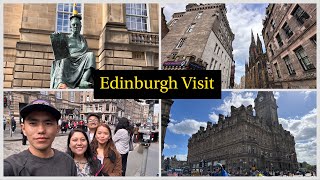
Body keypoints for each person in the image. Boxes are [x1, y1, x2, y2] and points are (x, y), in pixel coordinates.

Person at [4, 99, 77, 176]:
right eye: (33, 123)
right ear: (24, 129)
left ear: (57, 129)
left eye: (48, 123)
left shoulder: (68, 162)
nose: (41, 130)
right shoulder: (10, 168)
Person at [50, 11, 96, 89]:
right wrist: (57, 40)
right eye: (73, 25)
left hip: (81, 60)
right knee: (64, 59)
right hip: (69, 60)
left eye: (77, 25)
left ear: (80, 27)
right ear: (70, 27)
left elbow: (85, 52)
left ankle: (83, 80)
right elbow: (59, 53)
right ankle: (60, 82)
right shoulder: (66, 38)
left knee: (91, 55)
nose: (75, 26)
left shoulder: (83, 39)